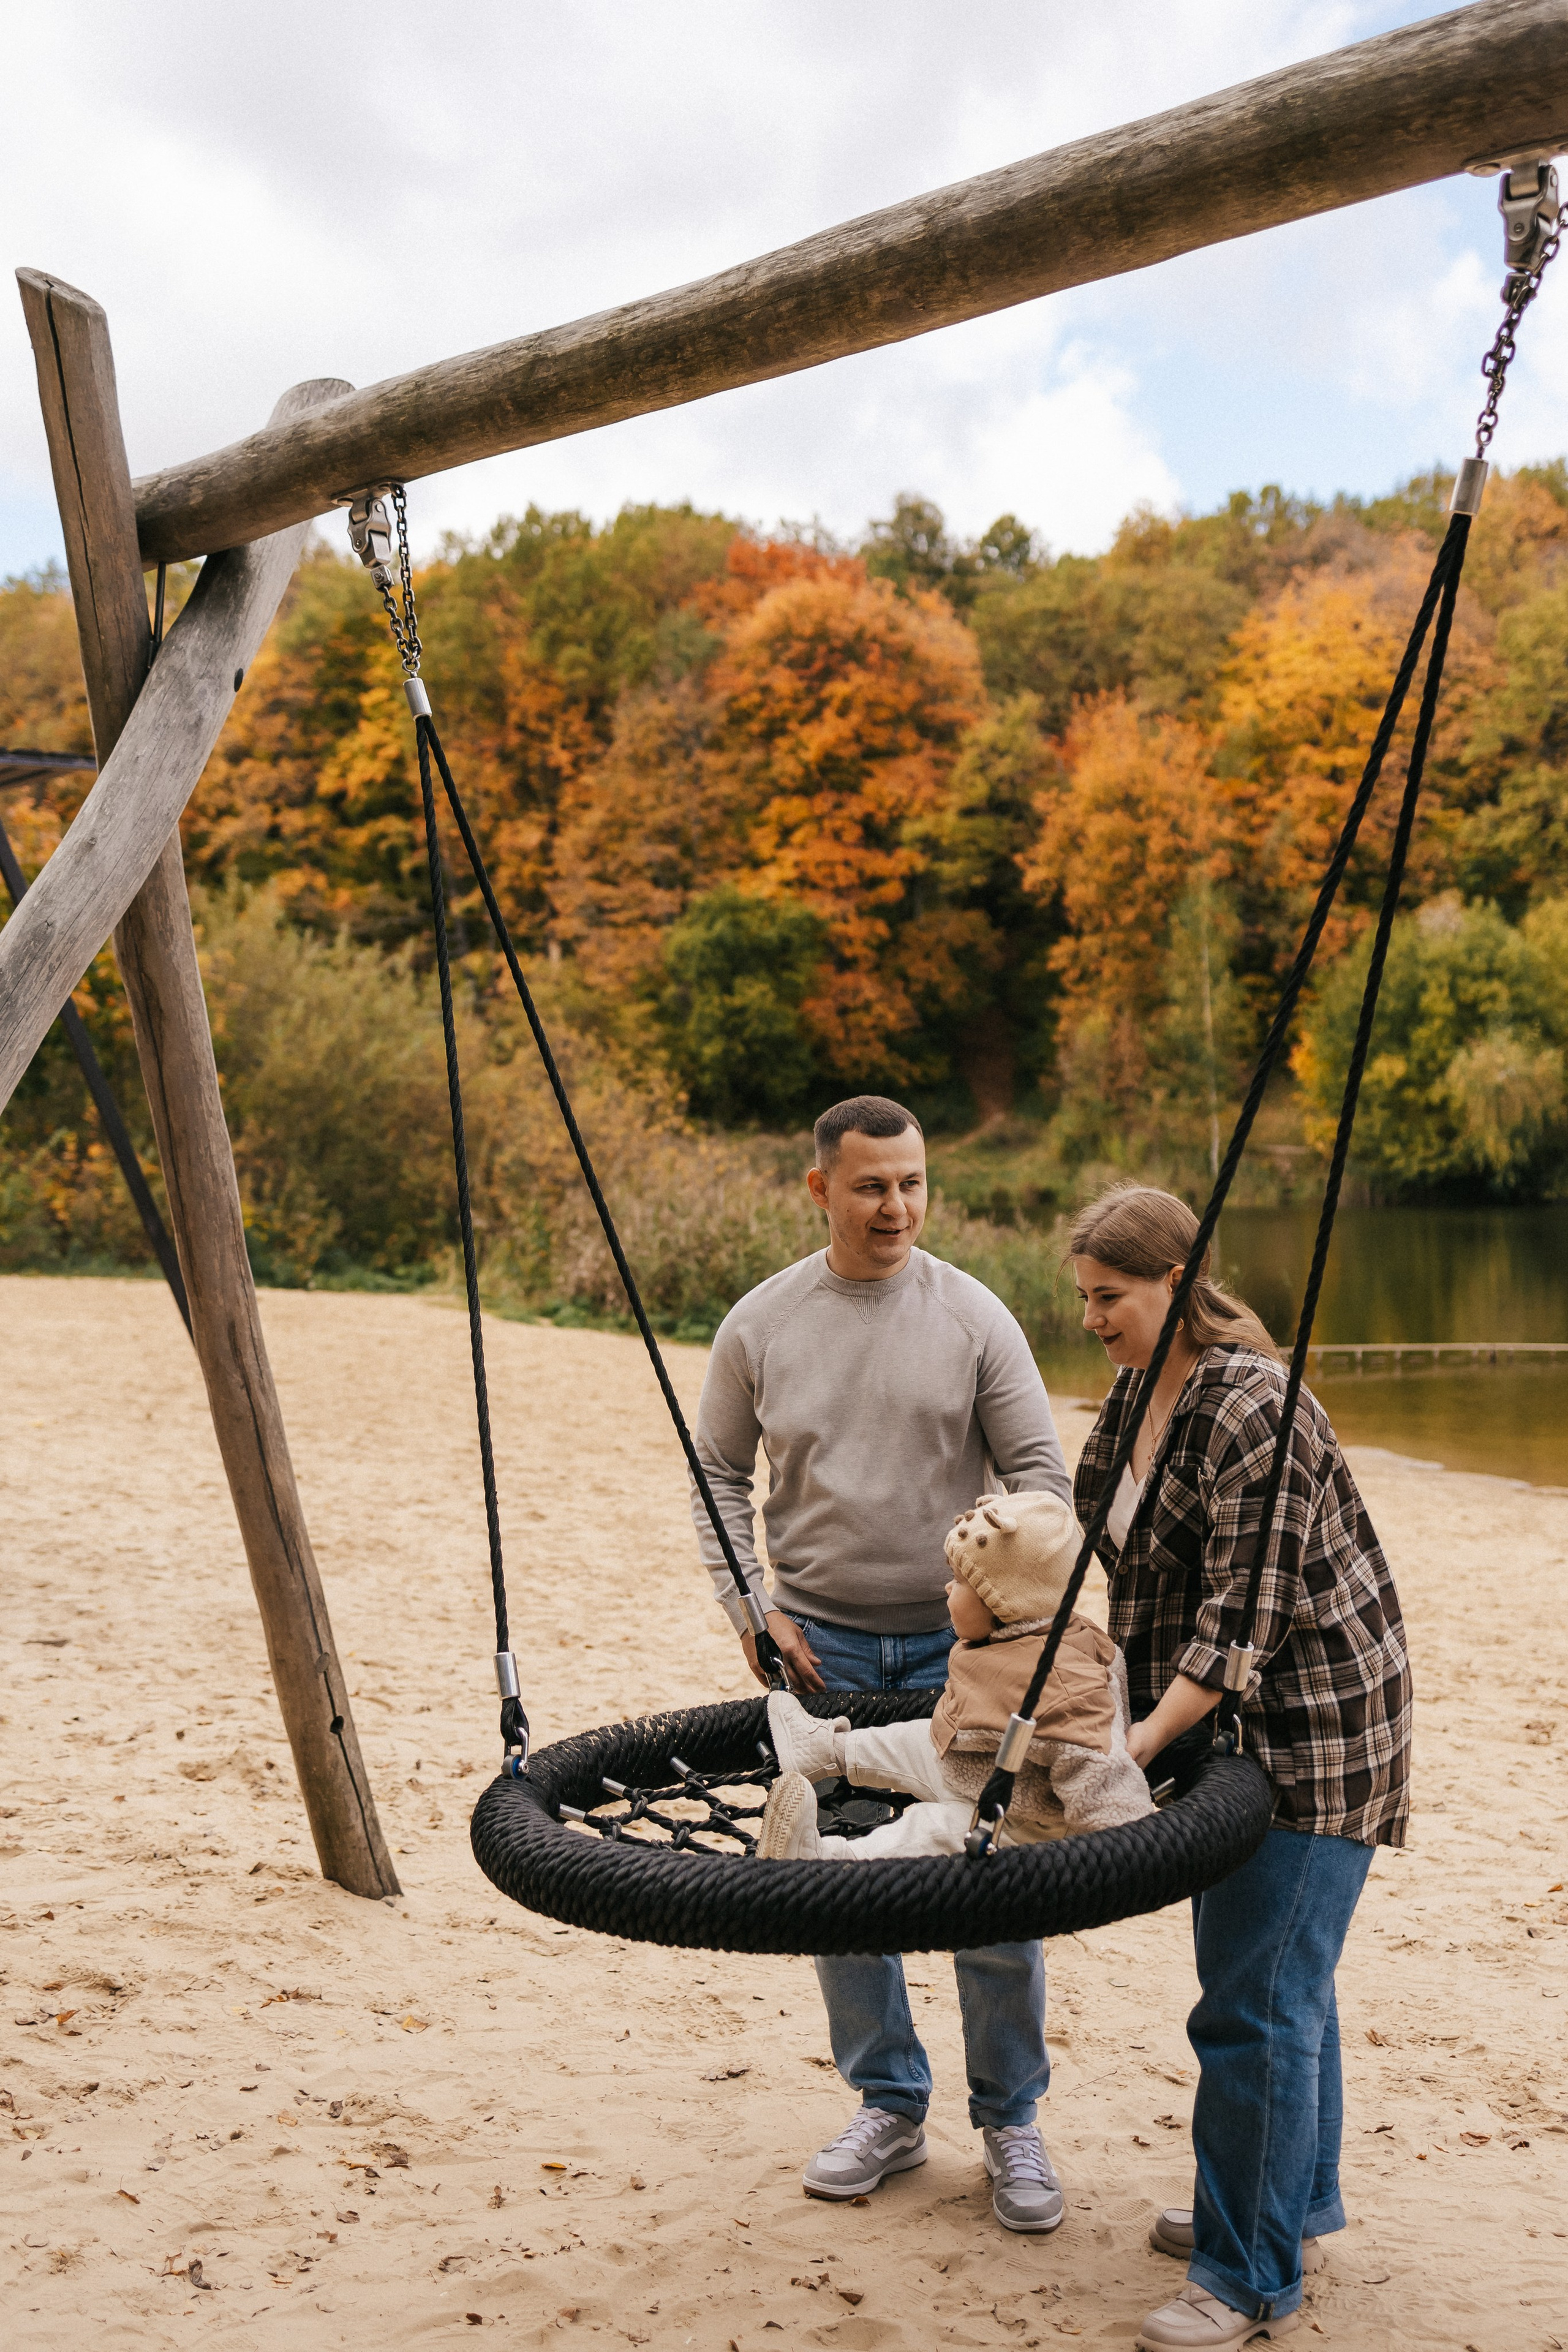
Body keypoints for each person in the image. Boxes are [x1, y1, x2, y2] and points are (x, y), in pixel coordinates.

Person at [690, 1095, 1075, 2232]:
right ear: (820, 1188)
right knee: (835, 1881)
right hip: (824, 1645)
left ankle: (1011, 2120)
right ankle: (890, 2103)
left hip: (971, 1655)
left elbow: (1045, 1483)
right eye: (871, 1185)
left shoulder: (974, 1315)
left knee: (991, 1880)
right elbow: (714, 1473)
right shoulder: (761, 1325)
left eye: (911, 1182)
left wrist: (1005, 1613)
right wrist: (747, 1605)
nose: (897, 1205)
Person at [1067, 1184, 1412, 2352]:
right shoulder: (1132, 1396)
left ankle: (1249, 2275)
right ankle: (1291, 2207)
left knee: (1252, 2005)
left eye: (1108, 1297)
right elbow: (1088, 1554)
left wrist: (1136, 1747)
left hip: (1313, 1723)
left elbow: (1240, 1624)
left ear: (1176, 1284)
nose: (1091, 1319)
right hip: (1222, 1722)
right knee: (1284, 1987)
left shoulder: (1250, 1404)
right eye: (1083, 1299)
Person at [756, 1487, 1152, 1858]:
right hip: (973, 1769)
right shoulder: (1013, 1636)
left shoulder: (1064, 1685)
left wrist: (1122, 1839)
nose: (948, 1588)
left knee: (929, 1830)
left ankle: (825, 1857)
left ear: (1004, 1605)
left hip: (1017, 1823)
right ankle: (824, 1748)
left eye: (962, 1582)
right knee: (915, 1738)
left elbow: (1102, 1765)